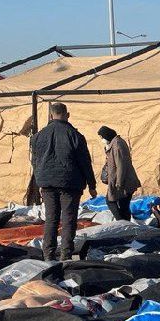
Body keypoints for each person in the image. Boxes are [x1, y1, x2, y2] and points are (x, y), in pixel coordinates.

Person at [29, 102, 96, 262]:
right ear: (67, 115)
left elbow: (35, 161)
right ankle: (66, 255)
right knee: (68, 219)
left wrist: (40, 180)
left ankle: (48, 255)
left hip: (47, 184)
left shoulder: (38, 136)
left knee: (51, 219)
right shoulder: (75, 136)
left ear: (51, 116)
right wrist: (92, 185)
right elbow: (85, 162)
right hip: (70, 183)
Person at [95, 124, 141, 222]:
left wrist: (119, 183)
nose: (102, 140)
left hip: (123, 181)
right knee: (123, 205)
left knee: (112, 201)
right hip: (121, 180)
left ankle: (122, 222)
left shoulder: (117, 145)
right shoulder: (115, 143)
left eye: (102, 137)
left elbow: (121, 165)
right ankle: (124, 224)